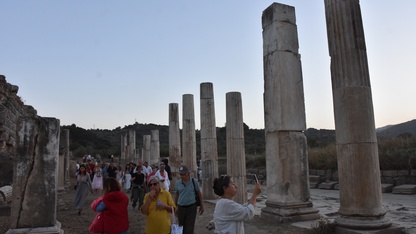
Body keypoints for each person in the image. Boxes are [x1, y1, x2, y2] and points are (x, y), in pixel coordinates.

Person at [174, 165, 205, 234]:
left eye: (183, 174)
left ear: (187, 173)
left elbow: (199, 193)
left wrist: (202, 205)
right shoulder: (178, 183)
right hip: (181, 207)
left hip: (191, 207)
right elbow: (177, 194)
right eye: (180, 174)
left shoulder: (194, 182)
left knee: (189, 228)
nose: (182, 176)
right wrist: (175, 206)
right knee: (181, 227)